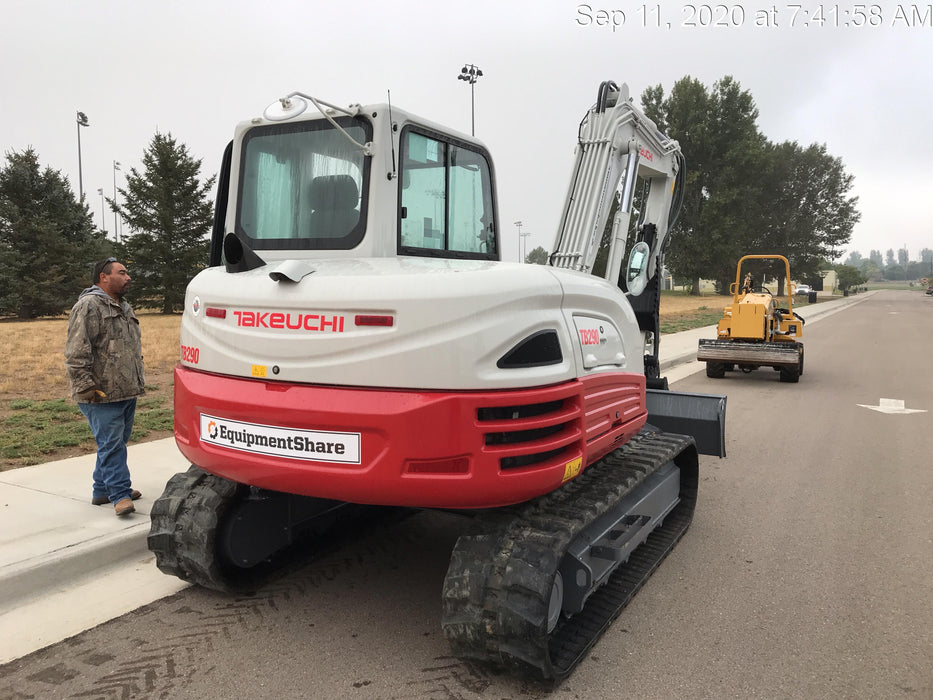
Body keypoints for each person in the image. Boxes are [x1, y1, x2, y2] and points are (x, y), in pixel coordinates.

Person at [65, 258, 146, 516]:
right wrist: (85, 386)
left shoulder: (123, 306)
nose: (128, 277)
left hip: (125, 389)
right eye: (122, 272)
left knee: (115, 443)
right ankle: (120, 494)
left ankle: (102, 489)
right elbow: (76, 350)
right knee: (112, 445)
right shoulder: (88, 305)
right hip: (100, 394)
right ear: (104, 277)